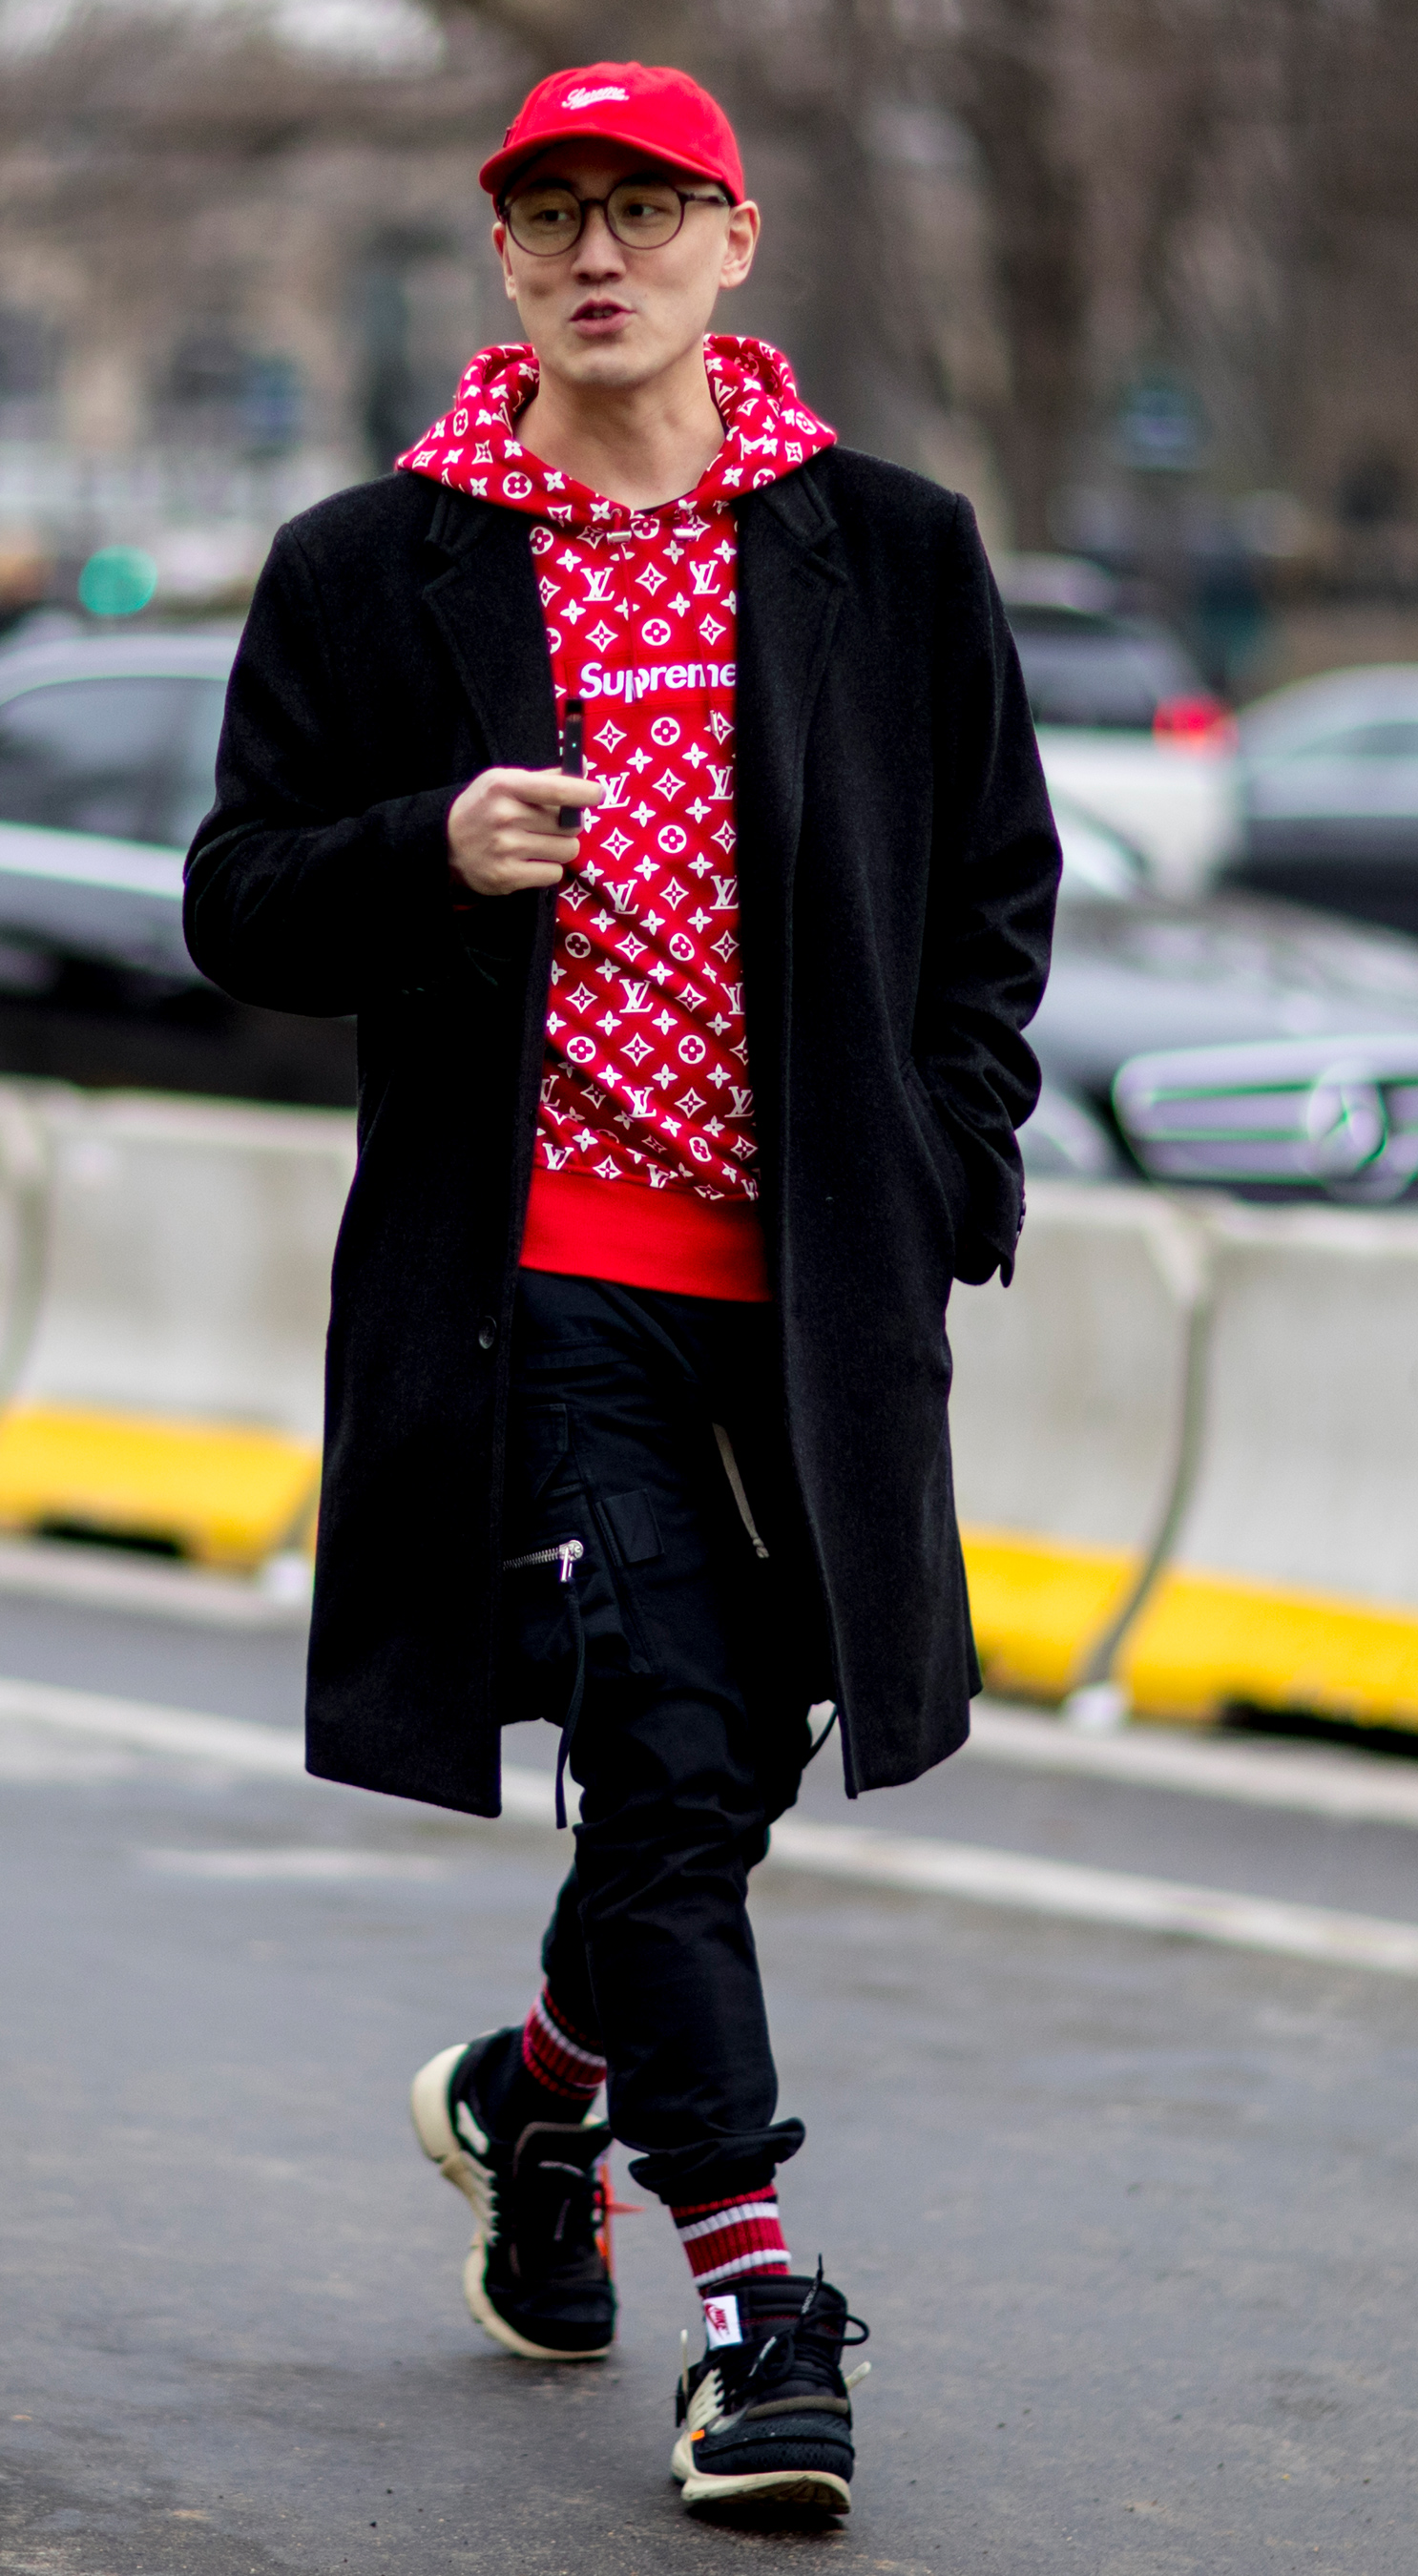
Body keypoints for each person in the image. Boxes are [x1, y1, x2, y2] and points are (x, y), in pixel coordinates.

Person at [184, 60, 1058, 2518]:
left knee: (719, 1769)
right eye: (553, 213)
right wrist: (424, 846)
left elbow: (995, 890)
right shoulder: (379, 563)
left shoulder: (889, 548)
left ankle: (531, 2095)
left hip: (809, 1302)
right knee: (660, 1743)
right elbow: (236, 899)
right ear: (503, 258)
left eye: (646, 209)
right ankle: (759, 2313)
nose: (600, 252)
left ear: (733, 242)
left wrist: (946, 1158)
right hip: (534, 1277)